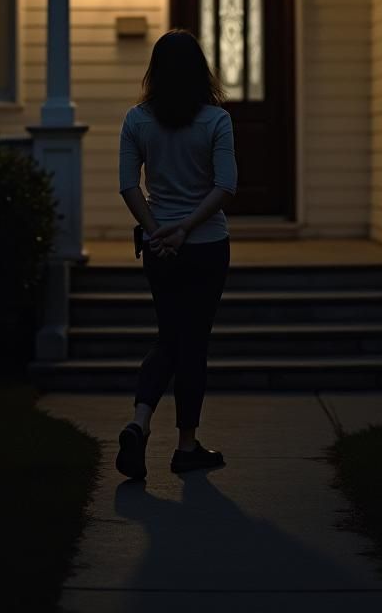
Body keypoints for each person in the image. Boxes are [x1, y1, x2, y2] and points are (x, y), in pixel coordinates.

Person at [115, 29, 237, 479]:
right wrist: (186, 229)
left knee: (169, 336)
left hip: (159, 249)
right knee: (192, 343)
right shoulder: (215, 121)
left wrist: (156, 232)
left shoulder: (136, 120)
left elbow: (129, 184)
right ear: (200, 72)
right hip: (205, 247)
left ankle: (139, 421)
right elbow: (226, 186)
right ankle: (186, 446)